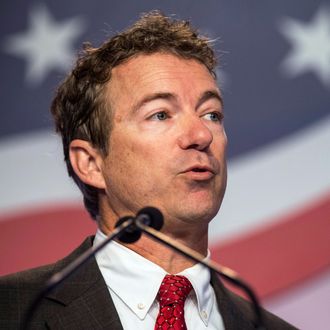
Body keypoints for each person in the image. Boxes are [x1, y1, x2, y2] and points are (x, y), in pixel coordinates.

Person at [0, 11, 296, 329]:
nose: (201, 136)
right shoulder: (13, 312)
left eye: (211, 114)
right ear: (90, 163)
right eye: (160, 115)